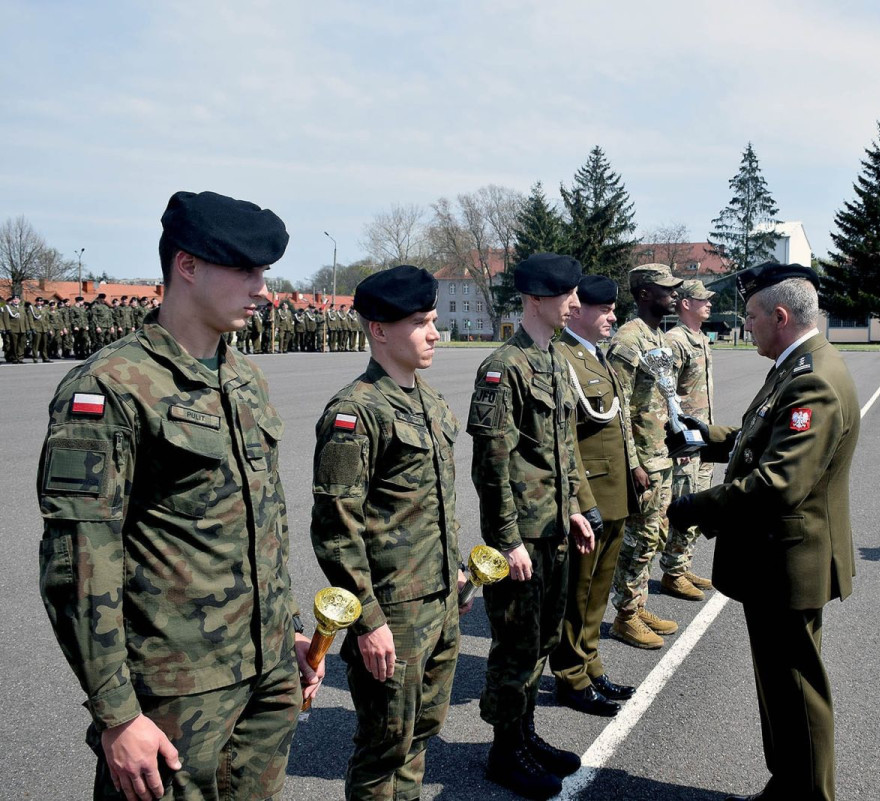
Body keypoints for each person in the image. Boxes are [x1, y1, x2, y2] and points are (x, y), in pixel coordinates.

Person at [37, 190, 323, 801]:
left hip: (267, 673)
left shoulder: (243, 376)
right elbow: (80, 561)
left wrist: (288, 630)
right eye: (245, 270)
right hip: (174, 690)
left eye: (264, 272)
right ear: (187, 265)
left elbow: (262, 523)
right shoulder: (111, 387)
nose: (263, 290)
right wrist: (117, 713)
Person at [668, 263, 860, 801]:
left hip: (788, 559)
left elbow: (779, 483)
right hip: (779, 556)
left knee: (797, 687)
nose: (744, 325)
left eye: (750, 316)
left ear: (779, 316)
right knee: (780, 683)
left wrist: (694, 507)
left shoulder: (813, 379)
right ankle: (788, 783)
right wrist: (706, 437)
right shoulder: (796, 365)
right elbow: (761, 435)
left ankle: (808, 795)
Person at [310, 265, 471, 801]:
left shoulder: (429, 401)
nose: (435, 334)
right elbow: (336, 528)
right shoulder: (356, 412)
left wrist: (455, 576)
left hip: (439, 600)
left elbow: (434, 504)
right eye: (420, 323)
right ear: (379, 330)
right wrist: (367, 619)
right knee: (384, 749)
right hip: (393, 612)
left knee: (421, 733)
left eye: (434, 320)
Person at [467, 252, 596, 800]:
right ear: (537, 299)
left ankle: (525, 734)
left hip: (554, 529)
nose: (575, 304)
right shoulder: (504, 368)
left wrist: (574, 509)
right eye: (567, 295)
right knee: (515, 646)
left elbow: (561, 449)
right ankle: (504, 750)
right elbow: (491, 465)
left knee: (543, 639)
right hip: (522, 537)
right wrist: (506, 541)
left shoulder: (555, 360)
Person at [549, 274, 639, 717]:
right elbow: (565, 440)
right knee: (578, 592)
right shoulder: (562, 358)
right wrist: (581, 501)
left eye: (613, 309)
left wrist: (634, 470)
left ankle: (591, 663)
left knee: (597, 590)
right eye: (604, 309)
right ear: (578, 310)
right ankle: (571, 675)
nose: (612, 317)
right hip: (590, 495)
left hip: (614, 491)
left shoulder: (595, 355)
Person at [607, 263, 684, 649]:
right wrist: (632, 462)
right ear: (643, 295)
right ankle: (625, 616)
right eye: (666, 289)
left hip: (662, 454)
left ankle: (637, 604)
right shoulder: (628, 340)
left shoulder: (660, 337)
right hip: (643, 460)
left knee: (655, 535)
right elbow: (617, 408)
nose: (674, 294)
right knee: (640, 538)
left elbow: (664, 396)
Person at [661, 278, 717, 601]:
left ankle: (684, 564)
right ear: (685, 304)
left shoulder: (701, 339)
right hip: (687, 442)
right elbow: (667, 394)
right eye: (702, 299)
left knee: (699, 504)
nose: (709, 304)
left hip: (704, 438)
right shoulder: (675, 341)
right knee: (684, 503)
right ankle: (673, 572)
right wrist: (678, 441)